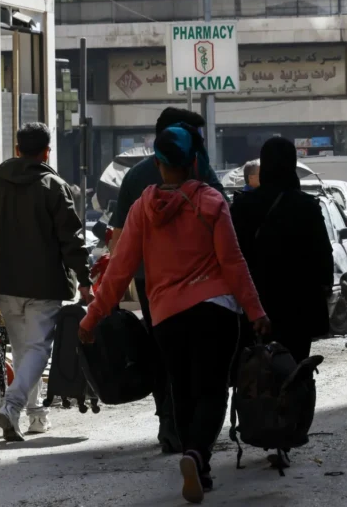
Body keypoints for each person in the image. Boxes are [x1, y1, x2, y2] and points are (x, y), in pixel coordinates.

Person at [79, 124, 271, 504]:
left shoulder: (142, 209)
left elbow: (119, 269)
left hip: (167, 318)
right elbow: (233, 263)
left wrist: (92, 316)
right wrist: (256, 311)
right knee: (212, 389)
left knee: (181, 390)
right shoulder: (211, 202)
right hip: (215, 312)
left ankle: (195, 460)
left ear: (159, 164)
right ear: (194, 162)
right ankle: (197, 456)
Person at [0, 123, 92, 442]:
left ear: (17, 150)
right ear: (47, 152)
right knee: (38, 349)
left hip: (3, 283)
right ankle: (13, 406)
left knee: (23, 351)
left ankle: (36, 416)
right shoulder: (54, 186)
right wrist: (85, 279)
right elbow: (72, 239)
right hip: (44, 284)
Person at [109, 107, 225, 453]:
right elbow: (226, 226)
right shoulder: (200, 172)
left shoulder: (135, 177)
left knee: (164, 352)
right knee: (198, 359)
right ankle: (193, 434)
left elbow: (118, 242)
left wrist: (109, 296)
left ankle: (169, 422)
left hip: (153, 285)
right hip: (200, 284)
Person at [230, 137, 333, 364]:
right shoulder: (306, 207)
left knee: (254, 370)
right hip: (297, 308)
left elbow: (232, 255)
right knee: (294, 369)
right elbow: (323, 257)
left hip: (254, 306)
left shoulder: (242, 207)